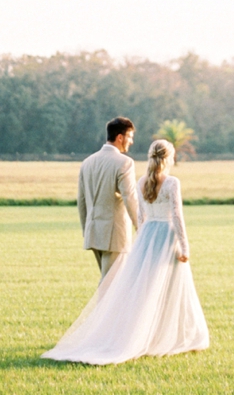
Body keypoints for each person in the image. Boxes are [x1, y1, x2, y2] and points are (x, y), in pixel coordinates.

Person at [42, 138, 209, 365]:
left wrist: (143, 239)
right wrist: (185, 246)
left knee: (146, 288)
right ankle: (165, 336)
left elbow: (141, 217)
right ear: (169, 158)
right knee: (170, 288)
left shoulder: (141, 182)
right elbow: (177, 216)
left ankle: (149, 334)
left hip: (148, 235)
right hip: (167, 236)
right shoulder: (172, 183)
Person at [77, 116, 138, 281]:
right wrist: (141, 226)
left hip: (93, 233)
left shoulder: (87, 162)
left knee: (110, 284)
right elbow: (130, 197)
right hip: (115, 235)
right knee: (111, 288)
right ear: (120, 137)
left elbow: (81, 202)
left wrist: (87, 230)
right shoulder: (124, 163)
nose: (131, 142)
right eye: (130, 137)